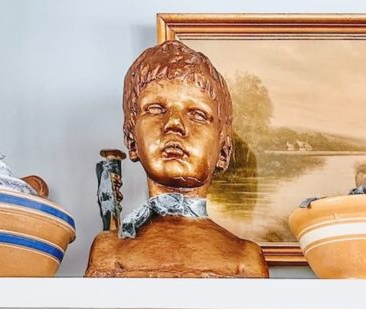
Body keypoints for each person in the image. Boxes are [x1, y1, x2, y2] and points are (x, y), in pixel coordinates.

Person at [85, 40, 268, 278]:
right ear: (131, 140)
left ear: (223, 152)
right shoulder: (108, 251)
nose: (174, 124)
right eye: (155, 109)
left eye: (197, 114)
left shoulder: (244, 257)